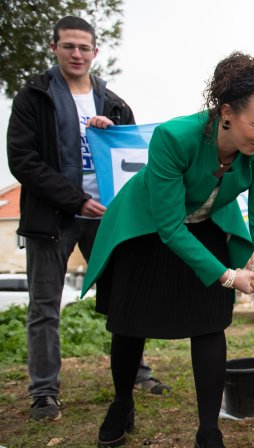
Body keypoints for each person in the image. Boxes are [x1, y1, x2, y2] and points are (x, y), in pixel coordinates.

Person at [80, 52, 254, 448]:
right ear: (226, 113)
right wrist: (227, 275)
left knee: (209, 323)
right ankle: (121, 403)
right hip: (149, 226)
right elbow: (169, 225)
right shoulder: (175, 136)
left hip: (204, 224)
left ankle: (208, 433)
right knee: (129, 322)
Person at [6, 15, 168, 422]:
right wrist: (75, 199)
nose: (76, 54)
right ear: (54, 48)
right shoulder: (33, 97)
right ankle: (44, 392)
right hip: (52, 219)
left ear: (95, 52)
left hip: (108, 218)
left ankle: (135, 373)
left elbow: (135, 154)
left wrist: (111, 132)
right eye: (68, 46)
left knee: (125, 296)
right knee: (45, 306)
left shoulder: (113, 103)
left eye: (84, 47)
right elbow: (22, 161)